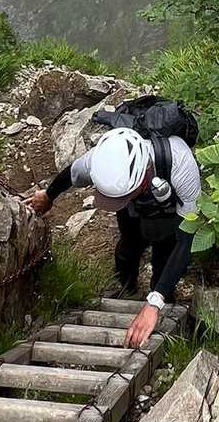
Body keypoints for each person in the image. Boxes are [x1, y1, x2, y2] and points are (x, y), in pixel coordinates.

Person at [30, 126, 202, 347]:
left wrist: (155, 302)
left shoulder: (181, 164)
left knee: (165, 248)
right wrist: (48, 195)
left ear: (141, 180)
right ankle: (127, 288)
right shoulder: (100, 160)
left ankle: (161, 297)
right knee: (129, 244)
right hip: (132, 205)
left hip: (170, 208)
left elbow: (187, 240)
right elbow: (72, 174)